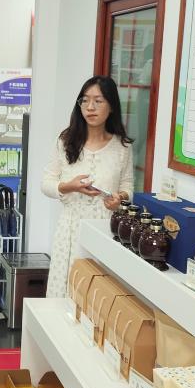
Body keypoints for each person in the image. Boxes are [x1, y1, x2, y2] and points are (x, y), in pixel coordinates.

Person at [42, 76, 134, 298]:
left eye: (98, 101)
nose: (90, 107)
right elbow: (46, 184)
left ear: (111, 106)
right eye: (85, 100)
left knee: (97, 296)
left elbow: (128, 185)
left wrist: (120, 198)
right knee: (64, 291)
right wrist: (69, 186)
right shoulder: (65, 141)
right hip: (70, 227)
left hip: (105, 229)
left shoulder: (122, 147)